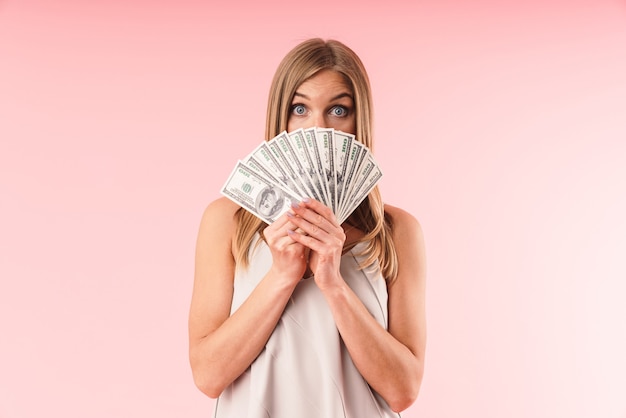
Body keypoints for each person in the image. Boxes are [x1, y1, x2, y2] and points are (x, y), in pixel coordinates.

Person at [188, 38, 427, 417]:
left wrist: (332, 282)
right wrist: (283, 275)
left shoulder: (396, 232)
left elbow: (403, 390)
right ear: (280, 119)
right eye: (300, 108)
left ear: (358, 120)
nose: (318, 128)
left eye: (338, 109)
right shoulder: (227, 222)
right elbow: (208, 375)